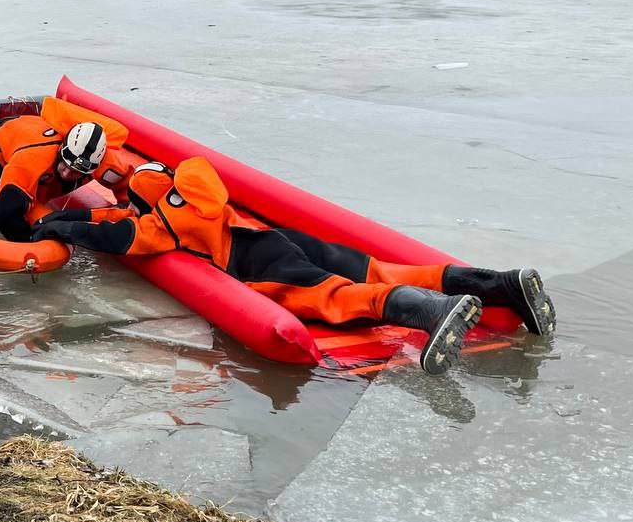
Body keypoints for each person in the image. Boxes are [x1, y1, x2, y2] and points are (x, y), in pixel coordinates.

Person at [31, 157, 556, 375]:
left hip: (254, 265)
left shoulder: (153, 225)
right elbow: (174, 176)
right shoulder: (195, 182)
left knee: (334, 297)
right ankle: (502, 285)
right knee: (381, 269)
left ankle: (431, 312)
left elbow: (107, 233)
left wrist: (57, 226)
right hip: (274, 236)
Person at [0, 96, 136, 241]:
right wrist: (30, 244)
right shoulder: (33, 159)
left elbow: (128, 187)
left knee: (41, 195)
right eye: (65, 164)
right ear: (62, 149)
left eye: (76, 172)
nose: (67, 173)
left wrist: (129, 211)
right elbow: (6, 212)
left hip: (30, 135)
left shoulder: (107, 164)